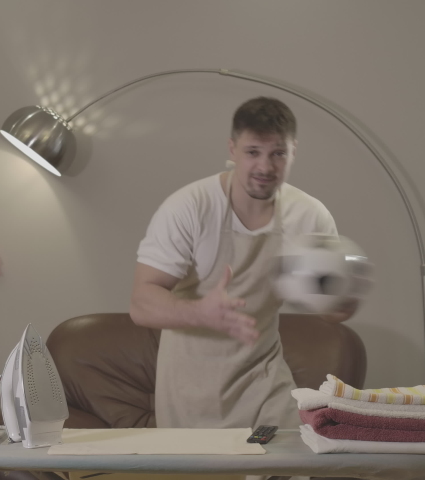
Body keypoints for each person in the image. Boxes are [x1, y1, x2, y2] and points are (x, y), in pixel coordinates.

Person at [130, 96, 358, 430]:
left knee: (284, 463)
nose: (265, 167)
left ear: (293, 151)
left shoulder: (309, 216)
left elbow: (331, 310)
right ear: (233, 149)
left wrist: (343, 298)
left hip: (263, 384)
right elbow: (141, 303)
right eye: (253, 152)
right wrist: (200, 312)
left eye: (278, 153)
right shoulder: (189, 207)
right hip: (188, 392)